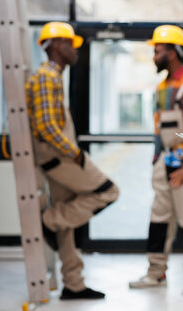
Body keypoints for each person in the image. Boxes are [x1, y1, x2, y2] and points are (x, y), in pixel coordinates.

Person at [25, 22, 119, 300]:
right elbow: (45, 127)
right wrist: (74, 153)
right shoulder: (46, 77)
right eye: (70, 44)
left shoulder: (53, 76)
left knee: (69, 219)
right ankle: (48, 221)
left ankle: (73, 284)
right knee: (109, 191)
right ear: (55, 45)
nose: (75, 49)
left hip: (59, 158)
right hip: (60, 159)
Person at [129, 25, 183, 296]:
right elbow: (157, 127)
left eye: (158, 50)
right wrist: (156, 160)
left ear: (173, 52)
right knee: (159, 219)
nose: (154, 56)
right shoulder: (162, 86)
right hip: (164, 163)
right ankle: (156, 272)